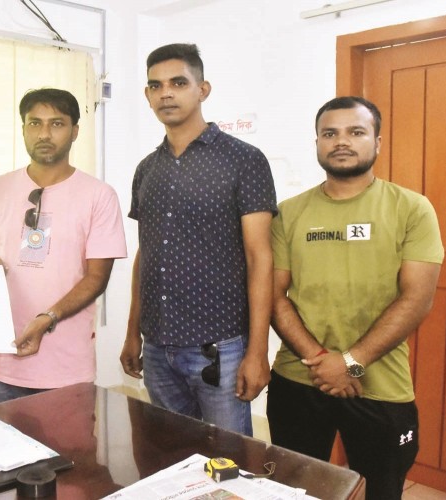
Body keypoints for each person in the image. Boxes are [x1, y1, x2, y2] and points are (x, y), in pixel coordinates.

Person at [267, 96, 444, 499]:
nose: (341, 141)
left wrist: (350, 363)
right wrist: (322, 360)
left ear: (377, 142)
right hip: (300, 378)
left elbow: (417, 299)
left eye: (356, 132)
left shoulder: (412, 209)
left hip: (379, 385)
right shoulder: (288, 213)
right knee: (294, 491)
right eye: (330, 133)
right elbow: (274, 296)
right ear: (317, 142)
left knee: (382, 490)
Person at [119, 43, 277, 436]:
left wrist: (258, 351)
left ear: (202, 89)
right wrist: (132, 332)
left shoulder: (244, 160)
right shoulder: (146, 169)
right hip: (158, 348)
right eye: (156, 86)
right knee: (173, 454)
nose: (166, 93)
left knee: (229, 458)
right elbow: (146, 254)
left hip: (219, 348)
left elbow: (260, 258)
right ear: (147, 95)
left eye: (178, 83)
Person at [0, 88, 127, 404]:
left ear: (74, 131)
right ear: (23, 129)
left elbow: (97, 278)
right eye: (34, 123)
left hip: (66, 367)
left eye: (56, 124)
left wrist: (48, 318)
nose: (44, 134)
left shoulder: (99, 195)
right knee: (5, 437)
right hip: (4, 358)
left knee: (69, 438)